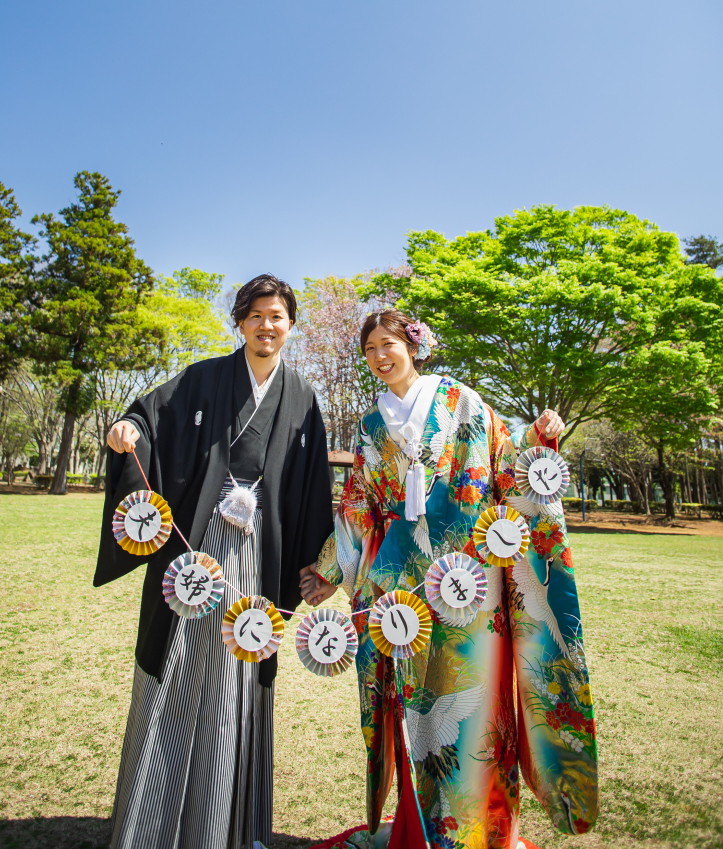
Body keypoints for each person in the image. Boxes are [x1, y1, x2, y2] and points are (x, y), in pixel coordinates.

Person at [300, 310, 598, 849]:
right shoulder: (371, 426)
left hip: (469, 582)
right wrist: (328, 571)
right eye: (369, 349)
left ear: (415, 346)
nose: (379, 357)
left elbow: (506, 463)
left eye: (388, 344)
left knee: (474, 701)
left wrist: (540, 438)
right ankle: (418, 832)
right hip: (398, 588)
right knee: (414, 706)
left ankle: (481, 833)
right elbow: (358, 504)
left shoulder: (462, 402)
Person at [94, 274, 334, 849]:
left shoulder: (301, 396)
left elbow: (313, 487)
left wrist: (316, 565)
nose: (266, 325)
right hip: (193, 553)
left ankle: (226, 827)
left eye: (277, 316)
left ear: (290, 326)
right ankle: (149, 827)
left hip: (258, 557)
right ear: (240, 321)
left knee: (239, 674)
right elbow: (150, 418)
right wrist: (130, 429)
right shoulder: (203, 378)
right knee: (174, 669)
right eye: (255, 315)